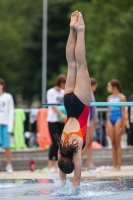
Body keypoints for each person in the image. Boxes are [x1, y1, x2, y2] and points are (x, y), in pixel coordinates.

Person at [57, 11, 91, 188]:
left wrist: (73, 190)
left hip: (80, 106)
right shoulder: (61, 148)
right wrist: (62, 181)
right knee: (70, 64)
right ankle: (71, 30)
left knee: (80, 64)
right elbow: (61, 174)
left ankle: (80, 29)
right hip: (68, 103)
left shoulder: (75, 147)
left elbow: (77, 178)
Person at [46, 74, 67, 173]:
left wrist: (64, 116)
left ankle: (57, 164)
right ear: (61, 83)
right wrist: (61, 115)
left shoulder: (63, 92)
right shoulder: (51, 92)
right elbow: (52, 105)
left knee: (60, 143)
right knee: (54, 142)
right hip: (53, 120)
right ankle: (50, 165)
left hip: (62, 120)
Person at [106, 79, 126, 171]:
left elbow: (123, 112)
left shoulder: (122, 97)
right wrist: (106, 124)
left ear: (114, 87)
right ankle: (114, 165)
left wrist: (122, 126)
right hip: (111, 118)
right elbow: (108, 111)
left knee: (118, 143)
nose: (107, 88)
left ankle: (119, 165)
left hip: (118, 118)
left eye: (109, 86)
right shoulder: (109, 98)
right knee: (113, 143)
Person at [82, 77, 98, 172]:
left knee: (90, 141)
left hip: (91, 118)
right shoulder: (86, 93)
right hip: (87, 118)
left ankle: (89, 163)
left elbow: (94, 108)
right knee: (87, 142)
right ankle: (76, 159)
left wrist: (95, 120)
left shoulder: (91, 93)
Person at [0, 78, 14, 173]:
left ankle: (9, 164)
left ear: (2, 85)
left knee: (6, 146)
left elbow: (11, 111)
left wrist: (10, 126)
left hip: (5, 124)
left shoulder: (8, 97)